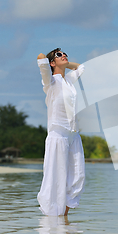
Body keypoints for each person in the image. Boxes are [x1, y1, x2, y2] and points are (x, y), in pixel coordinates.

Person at [36, 48, 86, 216]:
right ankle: (51, 219)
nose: (64, 55)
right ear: (52, 63)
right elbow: (40, 57)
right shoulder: (50, 82)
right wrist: (54, 61)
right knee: (55, 178)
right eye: (59, 55)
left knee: (77, 176)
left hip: (73, 134)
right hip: (58, 135)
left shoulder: (69, 81)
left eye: (65, 53)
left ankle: (64, 219)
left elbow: (80, 67)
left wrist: (62, 63)